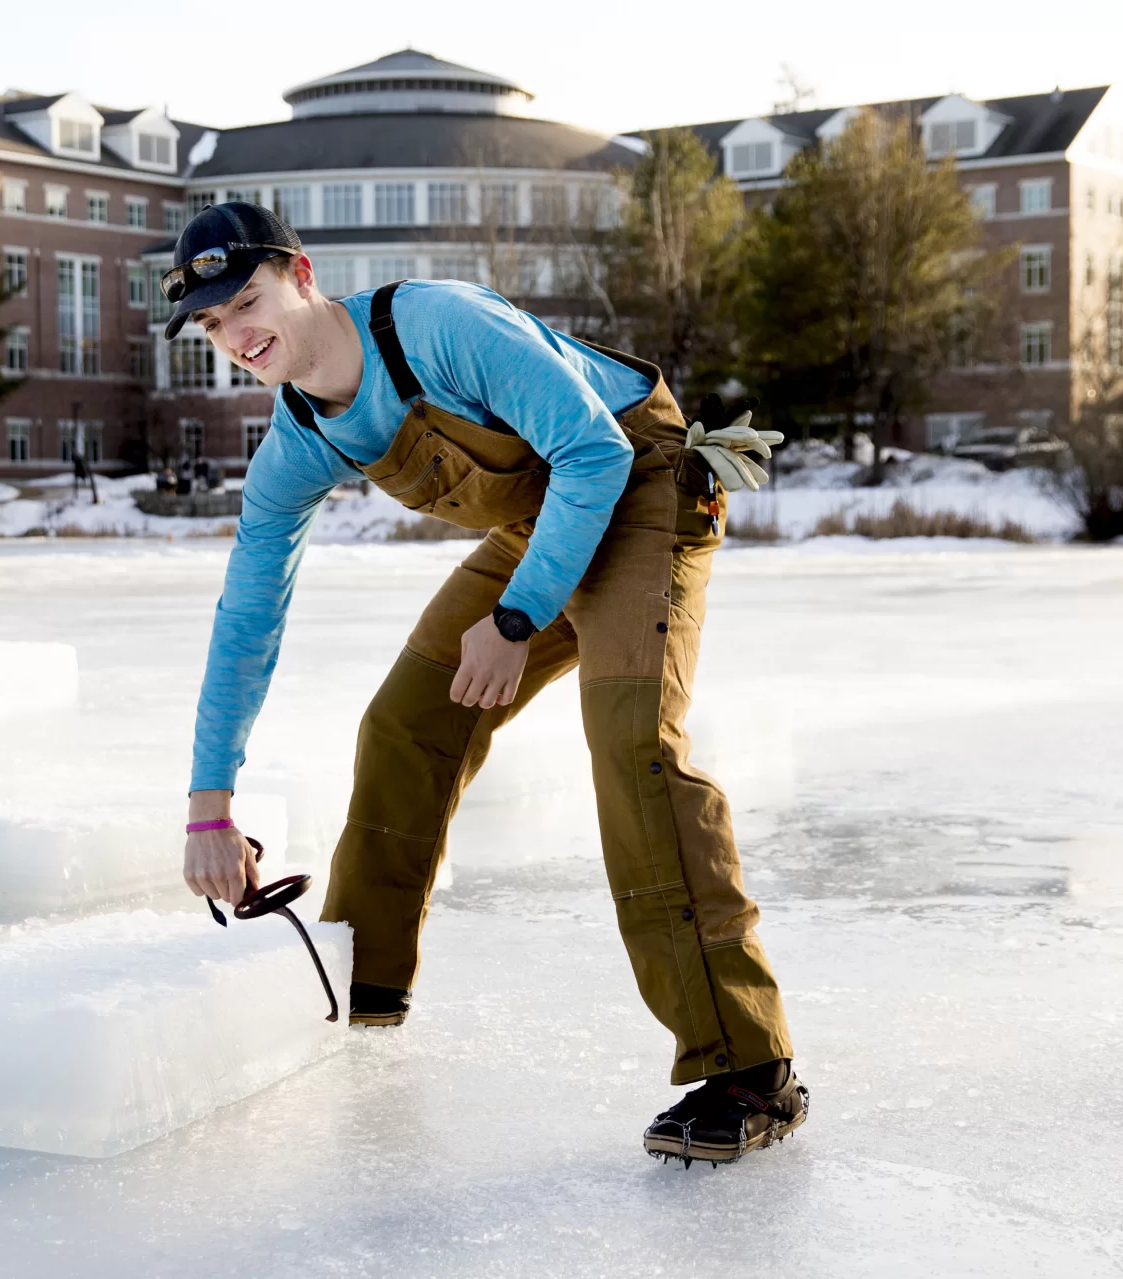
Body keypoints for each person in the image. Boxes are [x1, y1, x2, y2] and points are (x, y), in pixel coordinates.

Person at [170, 202, 806, 1165]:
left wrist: (514, 620)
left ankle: (750, 1071)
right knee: (404, 724)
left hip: (639, 479)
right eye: (214, 324)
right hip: (547, 521)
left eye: (246, 300)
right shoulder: (298, 442)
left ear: (301, 275)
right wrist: (208, 802)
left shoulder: (437, 326)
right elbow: (247, 618)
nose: (238, 336)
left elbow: (594, 451)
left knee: (633, 747)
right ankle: (362, 990)